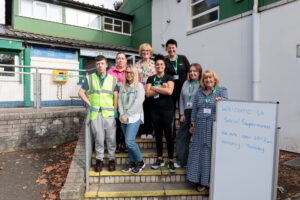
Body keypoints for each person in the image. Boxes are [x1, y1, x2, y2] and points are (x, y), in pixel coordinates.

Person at [186, 70, 228, 192]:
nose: (208, 80)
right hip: (199, 127)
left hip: (213, 127)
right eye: (206, 78)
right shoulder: (199, 92)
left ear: (214, 80)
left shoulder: (221, 91)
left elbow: (228, 106)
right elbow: (194, 109)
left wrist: (222, 102)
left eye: (210, 78)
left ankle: (208, 181)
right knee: (197, 153)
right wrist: (192, 124)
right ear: (203, 81)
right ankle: (198, 179)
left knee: (209, 154)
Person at [78, 55, 118, 172]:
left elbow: (115, 95)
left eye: (102, 63)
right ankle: (99, 161)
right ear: (96, 66)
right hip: (96, 114)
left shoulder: (112, 79)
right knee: (99, 139)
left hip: (109, 114)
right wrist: (89, 104)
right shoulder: (90, 78)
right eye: (97, 64)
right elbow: (81, 92)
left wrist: (115, 110)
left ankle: (111, 160)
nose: (100, 66)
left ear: (106, 65)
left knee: (111, 139)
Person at [145, 54, 176, 173]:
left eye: (161, 64)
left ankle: (171, 160)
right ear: (155, 66)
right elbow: (147, 94)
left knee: (169, 135)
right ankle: (159, 158)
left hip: (167, 110)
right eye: (157, 64)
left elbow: (169, 91)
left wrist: (154, 88)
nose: (159, 66)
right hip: (154, 111)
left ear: (164, 66)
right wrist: (160, 87)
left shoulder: (169, 78)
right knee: (158, 135)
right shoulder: (150, 78)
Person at [118, 65, 146, 174]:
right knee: (127, 141)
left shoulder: (139, 86)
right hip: (123, 117)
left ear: (135, 74)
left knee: (129, 141)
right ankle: (132, 161)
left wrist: (127, 114)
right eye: (127, 72)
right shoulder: (123, 87)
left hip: (134, 116)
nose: (129, 74)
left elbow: (138, 102)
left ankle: (140, 161)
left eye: (131, 72)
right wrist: (121, 114)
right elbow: (120, 101)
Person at [175, 63, 202, 168]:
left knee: (197, 139)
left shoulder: (201, 84)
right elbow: (181, 99)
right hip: (186, 113)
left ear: (199, 73)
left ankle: (196, 163)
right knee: (182, 138)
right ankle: (183, 161)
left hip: (198, 113)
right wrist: (181, 113)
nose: (192, 73)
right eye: (190, 71)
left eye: (194, 71)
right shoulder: (186, 83)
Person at [164, 39, 190, 138]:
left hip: (183, 90)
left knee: (183, 111)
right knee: (171, 111)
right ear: (166, 49)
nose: (171, 50)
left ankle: (183, 132)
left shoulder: (183, 58)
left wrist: (187, 83)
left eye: (173, 48)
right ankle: (172, 134)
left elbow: (189, 70)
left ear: (176, 48)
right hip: (171, 91)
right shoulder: (165, 61)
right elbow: (163, 75)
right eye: (169, 48)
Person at [108, 52, 127, 153]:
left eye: (122, 58)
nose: (120, 60)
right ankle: (116, 144)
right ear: (116, 60)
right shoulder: (110, 72)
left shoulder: (129, 71)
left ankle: (123, 143)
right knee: (115, 124)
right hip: (113, 102)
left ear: (126, 60)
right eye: (118, 58)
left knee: (124, 123)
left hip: (125, 102)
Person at [136, 43, 156, 140]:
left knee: (150, 112)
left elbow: (156, 78)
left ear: (150, 52)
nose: (145, 52)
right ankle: (142, 131)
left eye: (147, 51)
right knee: (141, 112)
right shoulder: (137, 64)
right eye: (143, 50)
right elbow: (135, 78)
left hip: (150, 92)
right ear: (141, 52)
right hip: (140, 92)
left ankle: (149, 131)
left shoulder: (154, 64)